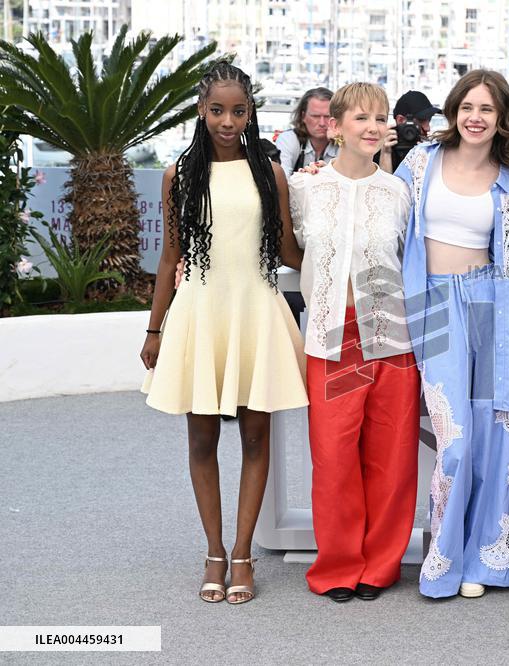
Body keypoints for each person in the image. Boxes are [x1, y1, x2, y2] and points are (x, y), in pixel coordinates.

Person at [140, 62, 308, 606]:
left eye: (238, 110)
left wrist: (344, 248)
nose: (228, 120)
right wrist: (154, 328)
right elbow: (170, 257)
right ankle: (213, 551)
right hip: (201, 312)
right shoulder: (180, 174)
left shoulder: (271, 173)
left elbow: (287, 253)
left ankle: (243, 554)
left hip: (255, 310)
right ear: (200, 110)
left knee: (257, 438)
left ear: (251, 111)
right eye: (218, 110)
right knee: (201, 438)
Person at [395, 69, 509, 600]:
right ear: (453, 112)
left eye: (486, 109)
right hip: (433, 302)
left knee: (495, 430)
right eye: (467, 107)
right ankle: (444, 556)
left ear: (501, 117)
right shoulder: (420, 163)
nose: (475, 117)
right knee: (454, 436)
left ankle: (487, 558)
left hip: (491, 304)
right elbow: (386, 221)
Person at [288, 82, 420, 604]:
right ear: (334, 125)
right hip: (329, 337)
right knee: (334, 459)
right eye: (361, 117)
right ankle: (338, 565)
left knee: (391, 460)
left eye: (380, 117)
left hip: (391, 334)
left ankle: (381, 565)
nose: (373, 126)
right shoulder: (304, 187)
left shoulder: (399, 192)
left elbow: (411, 260)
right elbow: (287, 245)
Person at [275, 87, 337, 177]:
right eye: (315, 116)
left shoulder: (344, 143)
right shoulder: (289, 139)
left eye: (327, 116)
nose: (322, 123)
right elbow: (282, 178)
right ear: (303, 116)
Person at [390, 90, 441, 171]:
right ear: (400, 120)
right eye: (422, 120)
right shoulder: (385, 147)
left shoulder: (428, 149)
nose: (428, 128)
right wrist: (385, 154)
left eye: (429, 119)